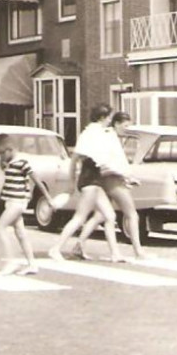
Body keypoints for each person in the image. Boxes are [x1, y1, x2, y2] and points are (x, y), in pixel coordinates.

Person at [50, 105, 122, 262]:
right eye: (109, 117)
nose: (111, 120)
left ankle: (115, 254)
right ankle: (55, 249)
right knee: (80, 217)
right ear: (102, 117)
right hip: (89, 180)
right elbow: (74, 159)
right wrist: (71, 183)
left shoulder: (99, 134)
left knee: (109, 215)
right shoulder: (90, 134)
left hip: (95, 181)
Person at [97, 111, 149, 260]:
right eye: (125, 126)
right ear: (116, 124)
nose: (126, 129)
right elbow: (110, 163)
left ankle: (79, 245)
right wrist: (126, 176)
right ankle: (138, 250)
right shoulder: (111, 139)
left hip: (110, 178)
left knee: (102, 215)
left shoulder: (111, 137)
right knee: (132, 214)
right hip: (114, 179)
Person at [0, 134, 42, 276]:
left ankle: (11, 262)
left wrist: (48, 198)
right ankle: (32, 264)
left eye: (2, 153)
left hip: (17, 202)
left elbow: (35, 179)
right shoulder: (10, 162)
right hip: (12, 202)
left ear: (10, 149)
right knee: (20, 233)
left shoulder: (21, 162)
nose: (0, 156)